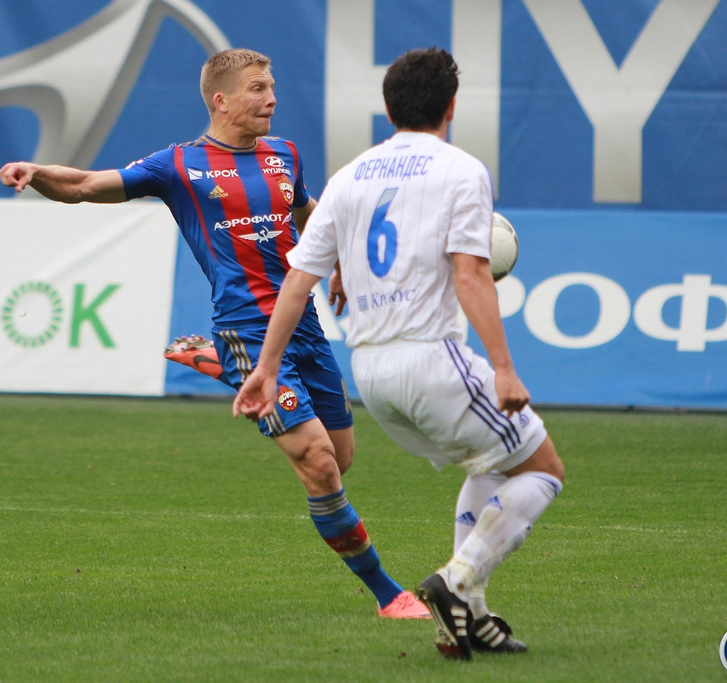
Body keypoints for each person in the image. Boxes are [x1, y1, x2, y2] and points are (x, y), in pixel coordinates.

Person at [0, 48, 429, 620]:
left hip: (302, 325)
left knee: (342, 455)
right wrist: (37, 172)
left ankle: (220, 363)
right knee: (319, 463)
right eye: (258, 89)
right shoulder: (179, 165)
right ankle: (389, 594)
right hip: (246, 328)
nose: (271, 99)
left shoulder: (284, 155)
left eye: (271, 87)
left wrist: (343, 264)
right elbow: (83, 185)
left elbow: (308, 214)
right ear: (221, 100)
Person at [232, 47, 566, 660]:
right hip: (432, 360)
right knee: (543, 469)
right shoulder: (461, 170)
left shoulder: (350, 177)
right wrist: (503, 368)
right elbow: (470, 274)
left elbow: (299, 280)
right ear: (452, 106)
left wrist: (266, 368)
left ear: (388, 110)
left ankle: (469, 617)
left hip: (372, 374)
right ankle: (457, 582)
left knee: (490, 465)